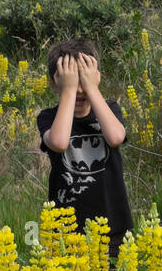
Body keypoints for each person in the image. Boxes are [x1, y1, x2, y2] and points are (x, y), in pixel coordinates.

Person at [35, 40, 133, 258]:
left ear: (95, 79)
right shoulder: (48, 118)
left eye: (83, 81)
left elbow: (116, 137)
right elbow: (59, 143)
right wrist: (69, 92)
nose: (79, 89)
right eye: (71, 81)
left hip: (113, 225)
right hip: (67, 232)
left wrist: (92, 88)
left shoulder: (110, 110)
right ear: (54, 84)